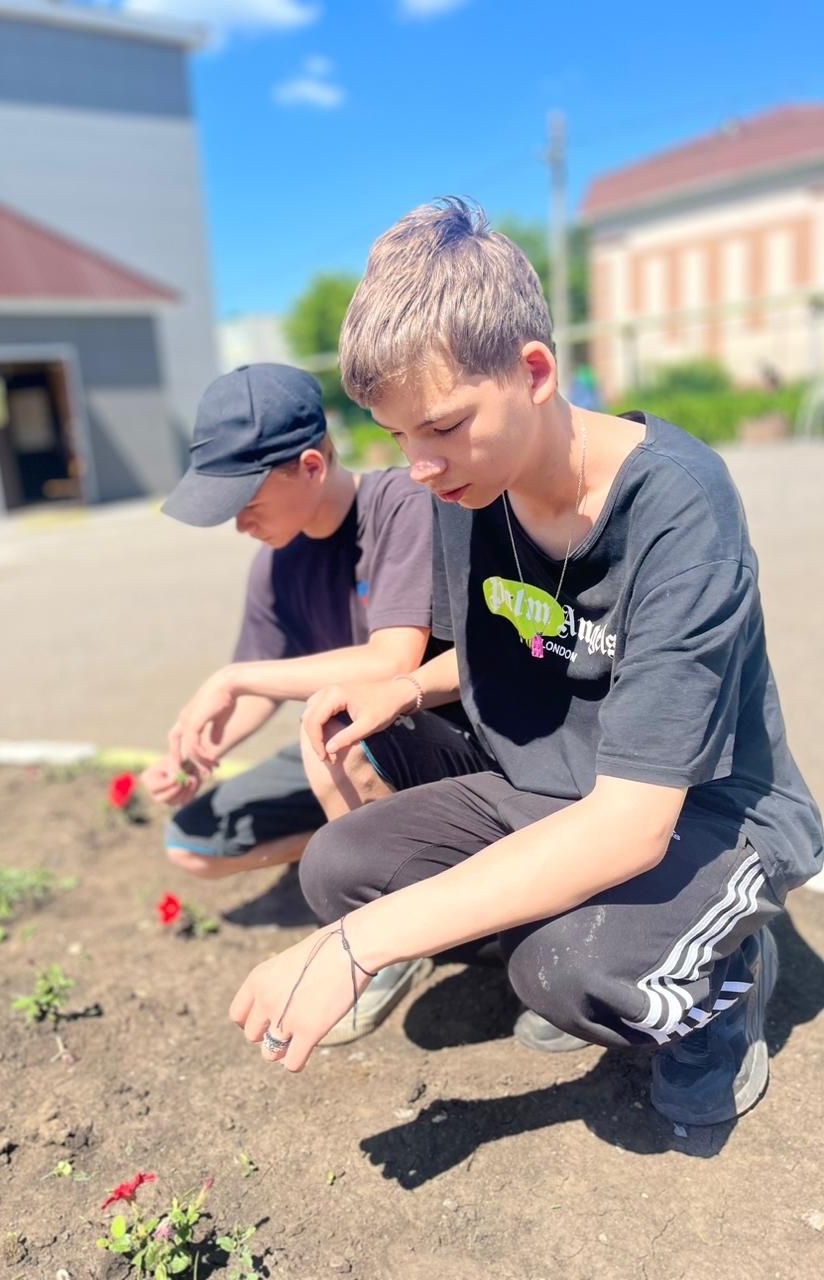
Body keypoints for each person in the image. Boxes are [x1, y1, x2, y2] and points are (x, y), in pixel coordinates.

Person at [228, 200, 824, 1127]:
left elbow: (631, 827)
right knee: (339, 863)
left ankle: (722, 984)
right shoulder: (469, 481)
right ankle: (566, 934)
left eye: (441, 426)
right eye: (397, 440)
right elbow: (522, 627)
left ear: (535, 371)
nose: (418, 467)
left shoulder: (679, 507)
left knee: (572, 971)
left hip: (707, 808)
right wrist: (402, 684)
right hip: (554, 778)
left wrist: (361, 945)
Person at [140, 362, 459, 1037]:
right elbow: (263, 674)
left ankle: (388, 926)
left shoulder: (401, 505)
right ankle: (368, 859)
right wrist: (205, 748)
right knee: (193, 844)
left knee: (338, 732)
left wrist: (234, 680)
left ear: (311, 466)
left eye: (245, 500)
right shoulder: (277, 558)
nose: (237, 524)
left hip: (428, 743)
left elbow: (389, 661)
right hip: (343, 750)